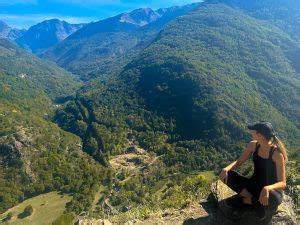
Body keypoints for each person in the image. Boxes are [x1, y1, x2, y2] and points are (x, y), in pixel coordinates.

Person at [218, 121, 288, 220]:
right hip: (254, 185)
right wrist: (226, 169)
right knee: (227, 175)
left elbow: (283, 183)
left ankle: (246, 201)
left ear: (260, 135)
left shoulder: (276, 154)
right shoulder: (253, 145)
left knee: (275, 199)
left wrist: (267, 188)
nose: (251, 133)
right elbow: (239, 162)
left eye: (253, 131)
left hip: (271, 190)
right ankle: (256, 202)